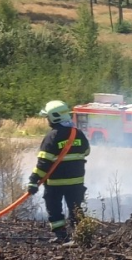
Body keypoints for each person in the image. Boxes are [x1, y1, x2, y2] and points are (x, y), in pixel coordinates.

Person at [27, 100, 90, 244]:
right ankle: (80, 237)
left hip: (55, 183)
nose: (47, 120)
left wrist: (33, 180)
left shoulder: (52, 136)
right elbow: (86, 151)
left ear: (54, 117)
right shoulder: (78, 133)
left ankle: (61, 236)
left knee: (54, 209)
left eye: (47, 117)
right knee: (76, 209)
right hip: (76, 182)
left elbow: (43, 162)